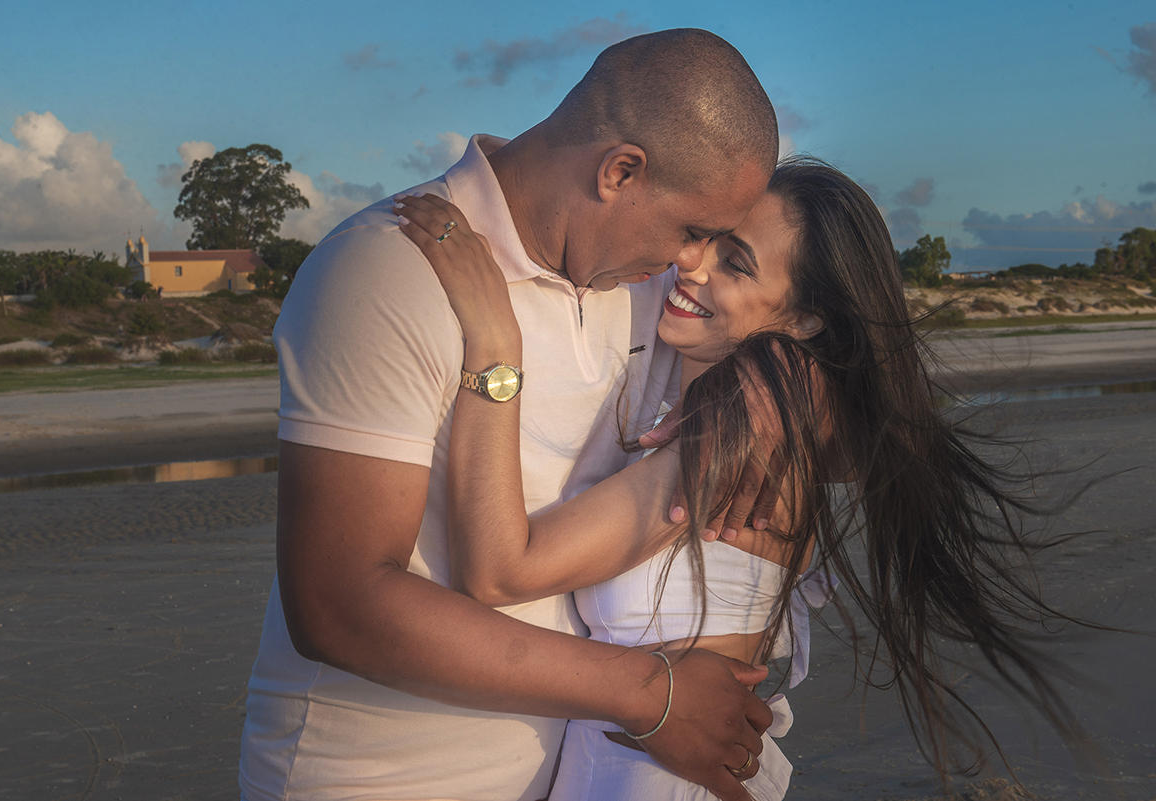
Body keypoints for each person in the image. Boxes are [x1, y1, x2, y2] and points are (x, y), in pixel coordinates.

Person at [394, 156, 1096, 798]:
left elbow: (498, 568)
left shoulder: (734, 433)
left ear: (802, 319)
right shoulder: (753, 407)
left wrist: (493, 345)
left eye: (737, 262)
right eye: (705, 235)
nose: (691, 263)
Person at [240, 29, 786, 801]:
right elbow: (339, 601)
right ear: (620, 170)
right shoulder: (389, 268)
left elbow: (809, 320)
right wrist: (650, 694)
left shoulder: (644, 290)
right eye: (693, 230)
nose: (692, 261)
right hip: (369, 782)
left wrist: (787, 404)